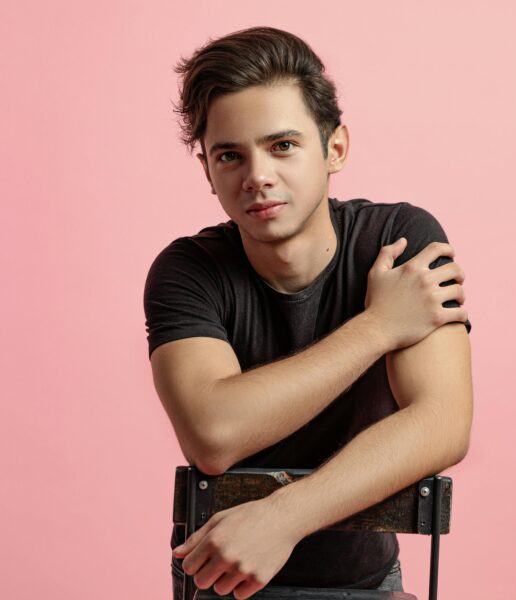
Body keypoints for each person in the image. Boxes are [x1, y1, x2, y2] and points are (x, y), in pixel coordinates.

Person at [144, 26, 473, 600]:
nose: (257, 176)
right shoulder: (187, 269)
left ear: (335, 148)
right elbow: (213, 435)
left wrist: (283, 517)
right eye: (229, 155)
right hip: (224, 580)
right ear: (207, 172)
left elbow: (443, 422)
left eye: (283, 145)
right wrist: (379, 327)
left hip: (368, 581)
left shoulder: (400, 240)